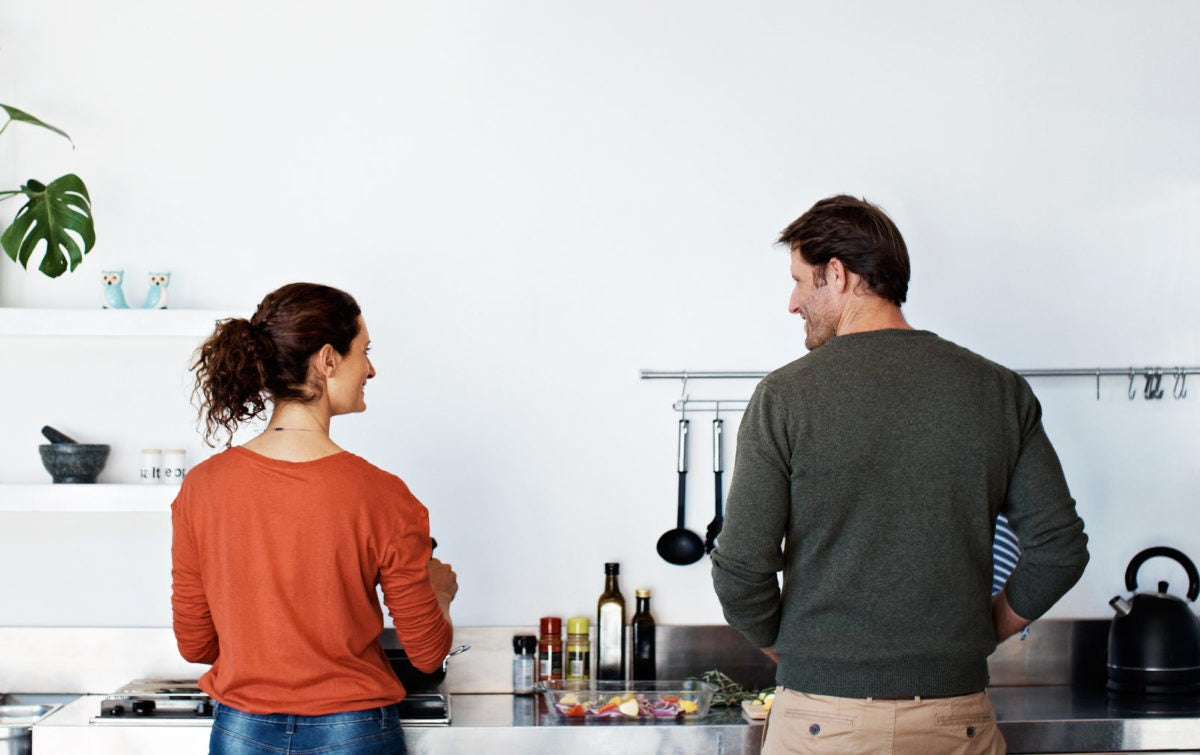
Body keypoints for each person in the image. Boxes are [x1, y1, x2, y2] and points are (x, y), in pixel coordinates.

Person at [710, 196, 1088, 754]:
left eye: (798, 281)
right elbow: (1059, 551)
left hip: (821, 724)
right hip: (956, 720)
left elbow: (740, 572)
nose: (792, 303)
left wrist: (797, 652)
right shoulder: (997, 391)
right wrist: (981, 635)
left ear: (835, 274)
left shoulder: (785, 398)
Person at [172, 282, 457, 755]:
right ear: (328, 360)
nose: (370, 369)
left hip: (241, 732)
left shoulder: (203, 488)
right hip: (355, 732)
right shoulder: (382, 495)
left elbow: (196, 646)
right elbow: (427, 655)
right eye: (363, 352)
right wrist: (441, 593)